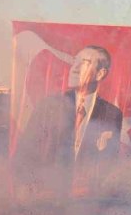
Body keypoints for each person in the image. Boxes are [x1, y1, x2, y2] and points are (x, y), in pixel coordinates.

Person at [16, 46, 122, 190]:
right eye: (74, 61)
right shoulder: (49, 106)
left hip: (85, 204)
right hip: (46, 197)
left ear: (100, 74)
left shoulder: (112, 114)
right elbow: (23, 154)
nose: (74, 68)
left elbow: (110, 163)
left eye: (84, 62)